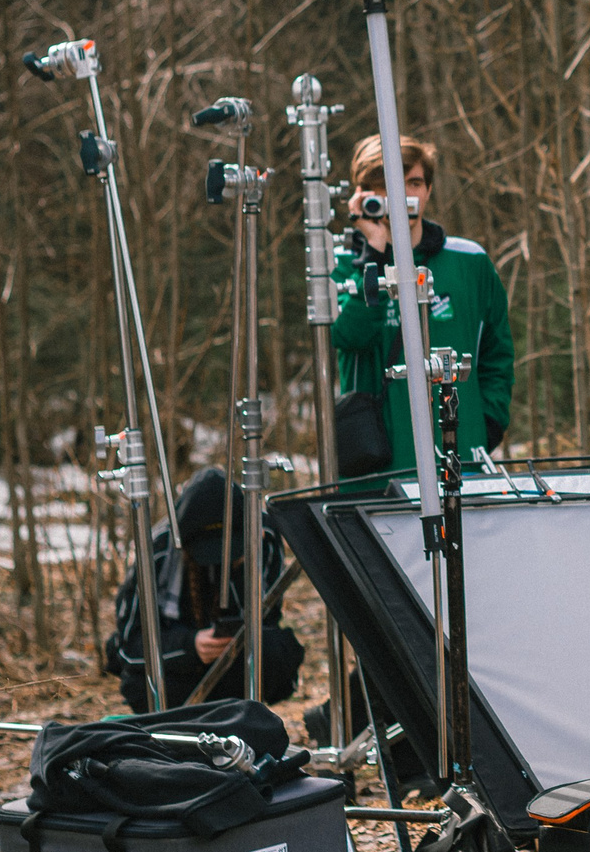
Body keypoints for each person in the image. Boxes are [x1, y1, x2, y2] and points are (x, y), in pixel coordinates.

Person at [330, 133, 515, 486]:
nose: (401, 196)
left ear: (428, 189)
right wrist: (377, 255)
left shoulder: (469, 261)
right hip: (376, 466)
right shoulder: (345, 264)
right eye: (385, 185)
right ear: (362, 195)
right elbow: (348, 335)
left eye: (413, 183)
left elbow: (497, 353)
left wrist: (486, 423)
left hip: (460, 457)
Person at [103, 467, 304, 713]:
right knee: (139, 683)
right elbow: (128, 647)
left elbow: (268, 620)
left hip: (237, 663)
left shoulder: (264, 537)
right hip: (179, 669)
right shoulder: (158, 549)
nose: (220, 562)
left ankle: (241, 714)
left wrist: (242, 566)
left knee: (276, 652)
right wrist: (191, 646)